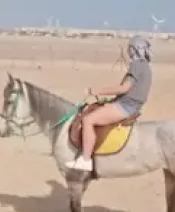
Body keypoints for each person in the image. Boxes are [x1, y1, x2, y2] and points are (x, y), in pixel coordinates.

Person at [64, 35, 153, 172]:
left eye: (130, 48)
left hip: (125, 106)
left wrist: (96, 91)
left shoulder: (136, 66)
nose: (128, 51)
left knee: (88, 120)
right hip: (130, 104)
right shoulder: (146, 67)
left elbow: (124, 88)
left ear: (135, 49)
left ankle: (86, 159)